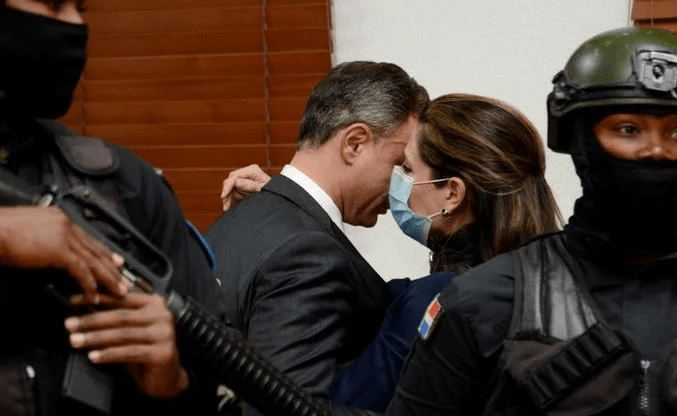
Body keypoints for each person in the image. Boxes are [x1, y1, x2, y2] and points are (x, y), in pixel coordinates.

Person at [385, 26, 677, 416]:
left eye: (676, 132)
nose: (656, 151)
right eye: (628, 129)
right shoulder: (483, 301)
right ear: (578, 140)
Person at [219, 93, 563, 412]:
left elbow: (315, 405)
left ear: (452, 194)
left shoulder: (439, 300)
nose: (395, 184)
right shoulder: (537, 278)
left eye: (408, 169)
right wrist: (290, 200)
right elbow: (369, 297)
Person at [0, 1, 224, 415]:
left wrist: (172, 381)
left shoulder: (124, 187)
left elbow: (221, 380)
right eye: (53, 3)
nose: (76, 24)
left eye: (81, 6)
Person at [206, 60, 428, 416]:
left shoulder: (236, 221)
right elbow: (287, 410)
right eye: (399, 164)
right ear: (355, 143)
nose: (403, 186)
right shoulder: (306, 251)